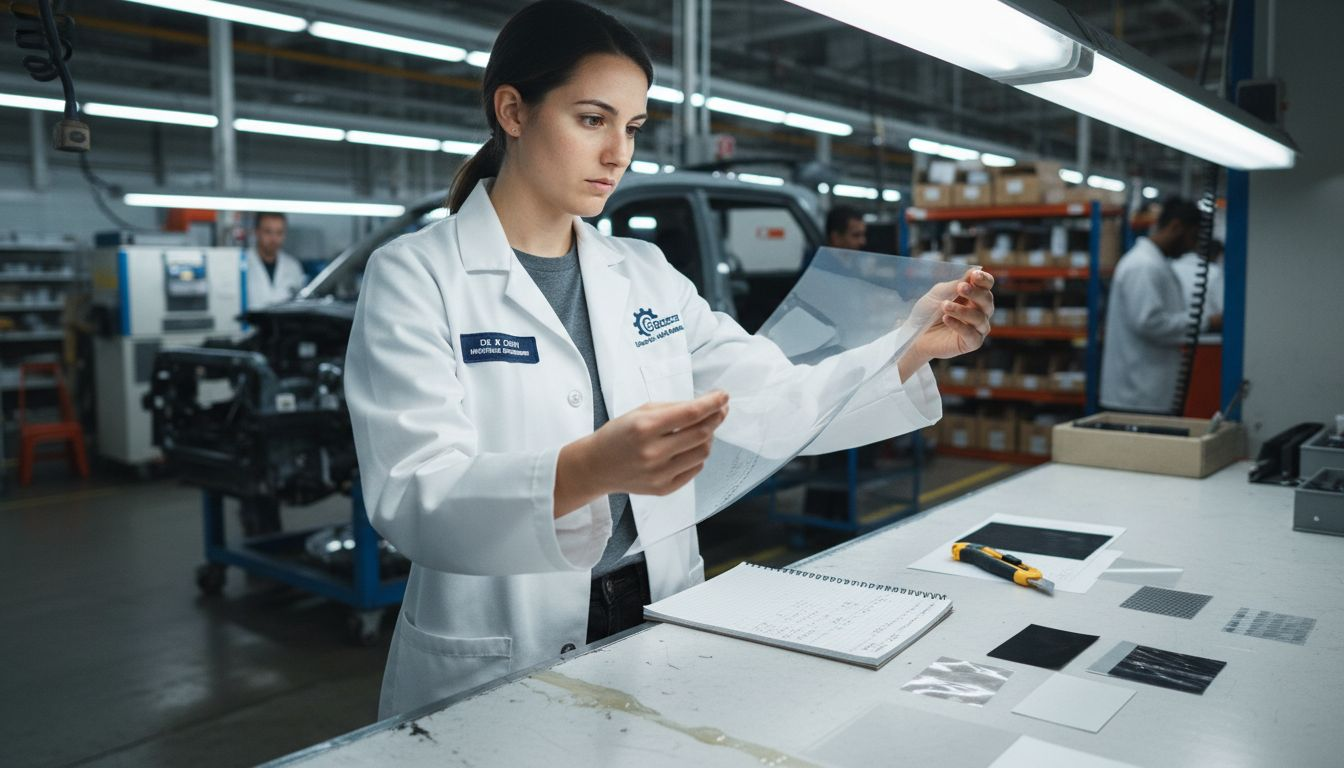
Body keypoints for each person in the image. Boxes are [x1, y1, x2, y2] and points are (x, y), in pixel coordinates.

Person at [344, 0, 996, 719]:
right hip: (501, 640)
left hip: (660, 608)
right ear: (513, 111)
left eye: (631, 127)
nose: (618, 153)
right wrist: (589, 469)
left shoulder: (645, 273)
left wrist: (909, 343)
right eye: (592, 120)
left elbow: (772, 394)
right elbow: (413, 493)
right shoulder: (417, 275)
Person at [1100, 197, 1217, 413]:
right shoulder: (1143, 266)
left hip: (1146, 392)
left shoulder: (1154, 263)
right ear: (1176, 227)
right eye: (1193, 237)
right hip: (1137, 395)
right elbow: (1149, 323)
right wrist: (1206, 322)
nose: (1193, 246)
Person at [245, 212, 306, 308]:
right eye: (268, 232)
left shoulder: (293, 266)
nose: (274, 239)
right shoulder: (243, 263)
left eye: (279, 233)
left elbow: (301, 303)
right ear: (256, 232)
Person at [1171, 238, 1225, 332]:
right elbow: (1224, 312)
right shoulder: (1215, 272)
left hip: (1171, 334)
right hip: (1209, 335)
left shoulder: (1169, 267)